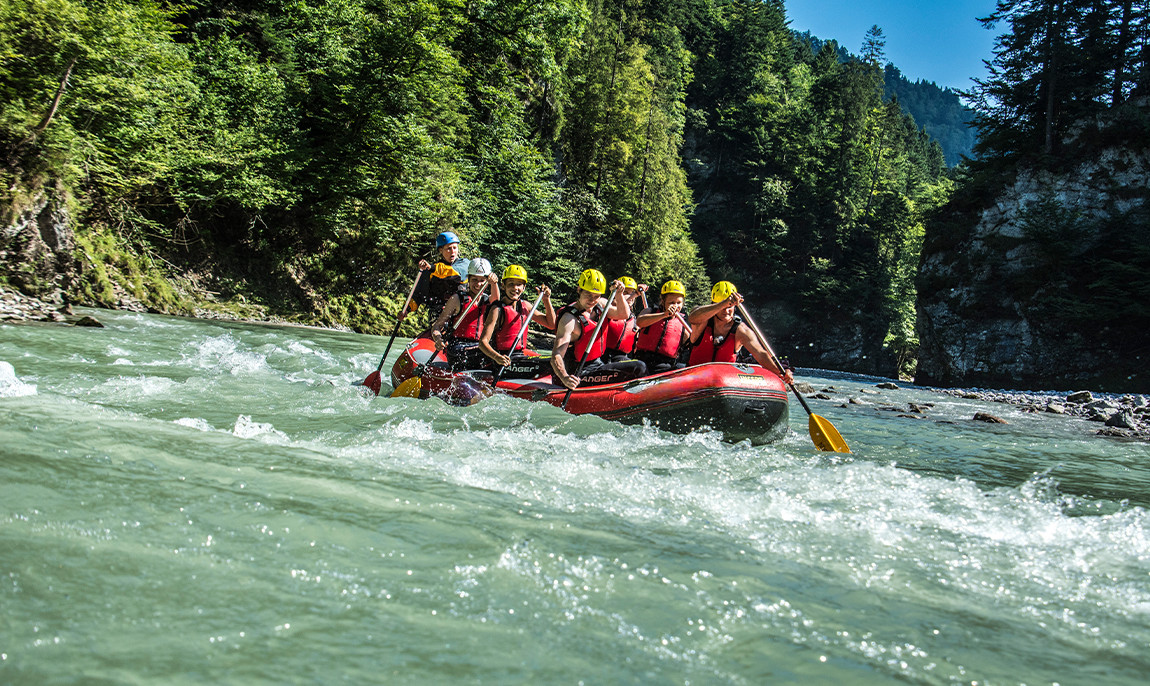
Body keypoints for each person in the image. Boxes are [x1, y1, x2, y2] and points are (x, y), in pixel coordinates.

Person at [550, 269, 647, 390]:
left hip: (597, 364)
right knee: (639, 367)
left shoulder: (600, 305)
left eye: (596, 296)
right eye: (588, 295)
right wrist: (564, 377)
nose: (592, 300)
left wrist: (619, 294)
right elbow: (557, 355)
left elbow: (623, 314)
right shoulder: (569, 319)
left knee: (637, 366)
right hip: (578, 373)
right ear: (579, 290)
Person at [686, 281, 793, 383]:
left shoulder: (741, 330)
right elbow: (692, 318)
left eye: (729, 307)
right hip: (695, 378)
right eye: (722, 307)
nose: (726, 311)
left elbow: (760, 353)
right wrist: (724, 303)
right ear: (714, 305)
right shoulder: (702, 321)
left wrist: (781, 372)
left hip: (724, 382)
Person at [478, 264, 556, 378]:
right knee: (552, 363)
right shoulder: (497, 309)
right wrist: (497, 357)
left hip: (519, 356)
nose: (515, 288)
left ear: (524, 287)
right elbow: (483, 342)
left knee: (556, 360)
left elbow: (551, 324)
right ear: (503, 286)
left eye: (519, 284)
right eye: (511, 284)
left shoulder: (525, 306)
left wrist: (546, 300)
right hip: (503, 360)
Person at [430, 258, 500, 371]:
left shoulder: (487, 300)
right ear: (468, 279)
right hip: (458, 348)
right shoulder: (457, 299)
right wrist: (438, 339)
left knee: (492, 351)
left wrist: (494, 283)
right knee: (486, 353)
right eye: (474, 280)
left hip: (479, 346)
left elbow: (497, 301)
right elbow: (437, 326)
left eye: (482, 280)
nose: (478, 284)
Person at [633, 280, 691, 374]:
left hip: (666, 366)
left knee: (682, 368)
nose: (675, 306)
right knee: (640, 367)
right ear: (663, 301)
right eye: (672, 302)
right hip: (644, 361)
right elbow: (639, 322)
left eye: (679, 303)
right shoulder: (650, 311)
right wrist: (664, 314)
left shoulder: (683, 322)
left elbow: (689, 343)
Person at [412, 230, 469, 322]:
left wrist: (431, 268)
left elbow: (450, 272)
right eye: (448, 248)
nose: (452, 252)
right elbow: (418, 294)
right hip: (438, 315)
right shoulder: (430, 271)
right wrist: (407, 310)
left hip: (460, 313)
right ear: (440, 250)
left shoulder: (465, 264)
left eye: (455, 248)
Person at [600, 276, 645, 363]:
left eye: (632, 293)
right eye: (625, 292)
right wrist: (635, 294)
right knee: (638, 365)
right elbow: (617, 303)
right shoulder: (607, 308)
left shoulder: (634, 319)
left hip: (622, 357)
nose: (631, 296)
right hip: (604, 355)